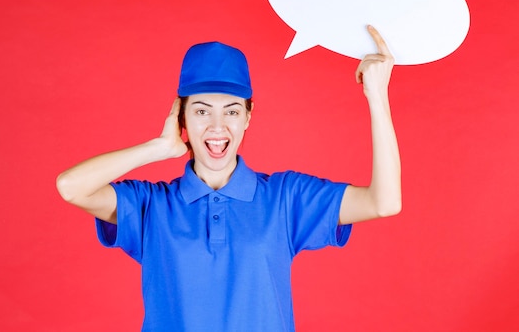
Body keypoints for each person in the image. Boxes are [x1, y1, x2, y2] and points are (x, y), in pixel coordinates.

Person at [56, 25, 401, 331]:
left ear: (249, 117)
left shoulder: (285, 198)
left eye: (232, 111)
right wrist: (158, 147)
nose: (218, 127)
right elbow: (71, 187)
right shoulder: (151, 206)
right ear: (182, 117)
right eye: (202, 110)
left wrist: (377, 95)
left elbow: (383, 203)